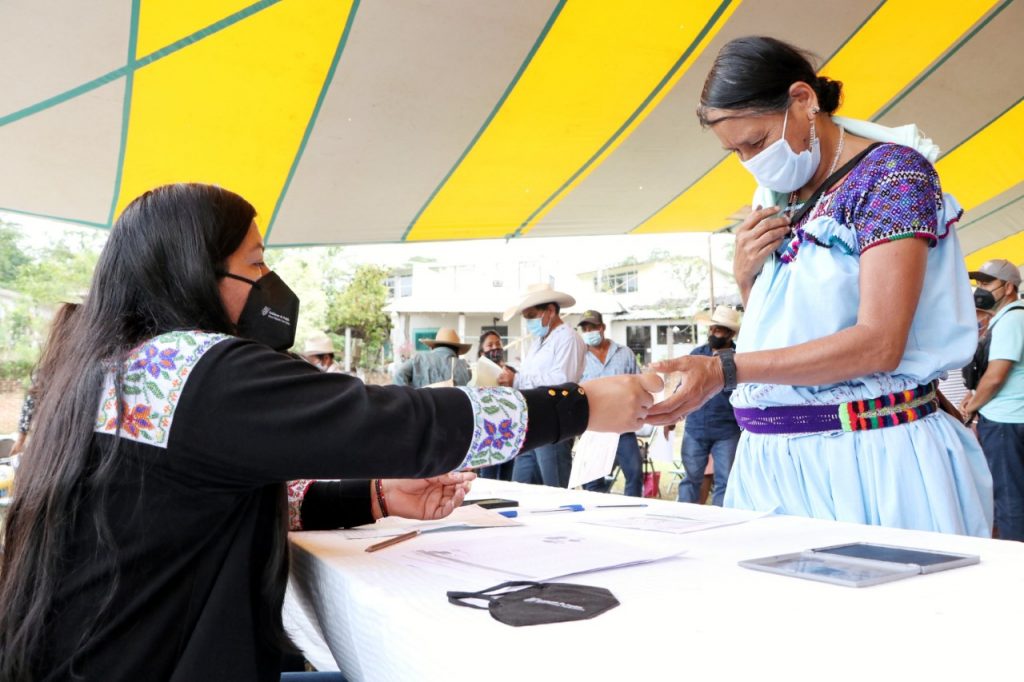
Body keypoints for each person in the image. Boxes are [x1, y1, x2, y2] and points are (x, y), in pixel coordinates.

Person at [0, 184, 660, 681]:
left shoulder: (102, 371)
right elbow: (399, 421)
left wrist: (371, 498)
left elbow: (186, 506)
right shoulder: (192, 370)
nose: (270, 286)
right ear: (195, 272)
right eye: (255, 265)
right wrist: (577, 405)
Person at [646, 36, 992, 537]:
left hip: (867, 459)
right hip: (772, 463)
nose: (748, 160)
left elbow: (879, 343)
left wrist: (723, 370)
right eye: (735, 151)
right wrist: (748, 279)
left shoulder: (893, 176)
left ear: (803, 101)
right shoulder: (779, 194)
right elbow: (791, 329)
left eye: (756, 142)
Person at [498, 283, 587, 488]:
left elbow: (563, 379)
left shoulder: (568, 339)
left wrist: (518, 380)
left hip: (555, 421)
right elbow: (532, 374)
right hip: (531, 421)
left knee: (554, 488)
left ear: (550, 311)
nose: (529, 322)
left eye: (531, 315)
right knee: (522, 488)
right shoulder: (538, 341)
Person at [960, 259, 1024, 540]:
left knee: (1009, 500)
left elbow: (997, 375)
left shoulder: (1012, 319)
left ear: (1009, 287)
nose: (980, 290)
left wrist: (972, 407)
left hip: (1005, 422)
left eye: (987, 283)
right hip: (1010, 418)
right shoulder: (1010, 319)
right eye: (979, 284)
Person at [667, 306, 742, 506]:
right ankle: (684, 520)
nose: (713, 333)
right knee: (690, 479)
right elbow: (682, 387)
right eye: (712, 328)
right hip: (695, 428)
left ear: (730, 333)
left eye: (718, 330)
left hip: (727, 430)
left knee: (725, 481)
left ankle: (722, 525)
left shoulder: (740, 358)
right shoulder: (697, 355)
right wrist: (672, 416)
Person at [577, 310, 643, 497]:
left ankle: (633, 513)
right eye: (585, 328)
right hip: (593, 428)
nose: (589, 331)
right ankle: (598, 517)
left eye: (593, 327)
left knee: (634, 473)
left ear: (602, 328)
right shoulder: (580, 357)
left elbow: (638, 385)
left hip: (622, 427)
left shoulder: (624, 353)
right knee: (592, 481)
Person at [10, 301, 81, 458]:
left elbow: (30, 401)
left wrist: (22, 437)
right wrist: (21, 438)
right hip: (56, 447)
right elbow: (31, 400)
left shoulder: (49, 367)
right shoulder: (78, 369)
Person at [476, 329, 515, 481]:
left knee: (508, 477)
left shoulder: (511, 372)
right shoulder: (475, 372)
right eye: (489, 345)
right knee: (488, 477)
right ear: (482, 351)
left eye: (497, 344)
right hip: (487, 432)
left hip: (509, 430)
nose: (494, 348)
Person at [393, 327, 472, 387]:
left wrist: (409, 399)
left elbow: (399, 375)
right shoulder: (465, 367)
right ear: (458, 351)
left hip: (421, 407)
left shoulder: (419, 359)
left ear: (433, 347)